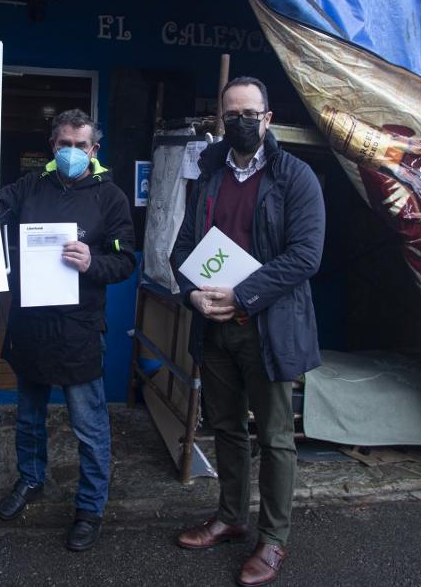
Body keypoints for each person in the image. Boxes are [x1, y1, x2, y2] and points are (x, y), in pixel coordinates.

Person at [170, 77, 325, 587]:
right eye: (230, 114)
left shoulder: (295, 177)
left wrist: (243, 295)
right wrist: (191, 293)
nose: (239, 122)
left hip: (270, 329)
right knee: (228, 428)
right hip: (216, 332)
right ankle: (232, 517)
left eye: (248, 113)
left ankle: (273, 539)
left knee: (277, 438)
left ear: (267, 117)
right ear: (220, 120)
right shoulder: (208, 176)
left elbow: (305, 256)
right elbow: (183, 249)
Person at [0, 109, 135, 552]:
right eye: (65, 144)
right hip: (31, 324)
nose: (72, 153)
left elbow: (125, 261)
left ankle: (90, 507)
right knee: (28, 417)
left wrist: (92, 262)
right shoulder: (32, 184)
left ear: (94, 149)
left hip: (79, 328)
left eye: (81, 146)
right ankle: (30, 480)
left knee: (89, 426)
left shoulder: (111, 197)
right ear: (53, 146)